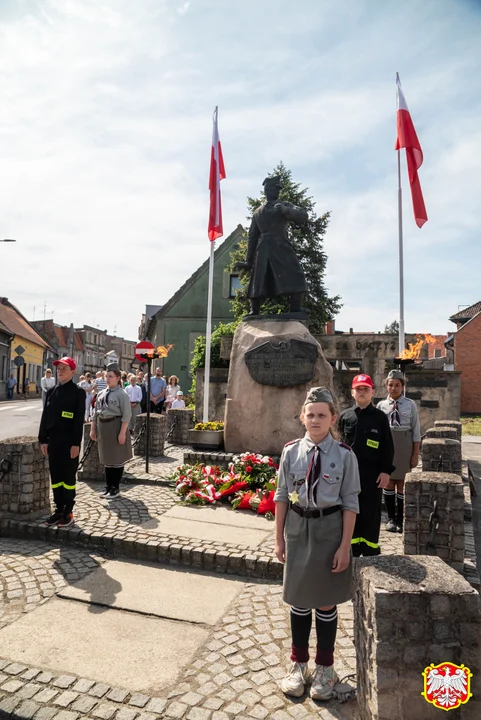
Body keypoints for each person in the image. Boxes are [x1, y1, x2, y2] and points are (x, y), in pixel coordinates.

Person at [274, 387, 360, 700]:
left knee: (325, 601)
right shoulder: (290, 452)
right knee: (298, 600)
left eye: (322, 415)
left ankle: (325, 667)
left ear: (332, 418)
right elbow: (282, 496)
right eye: (310, 414)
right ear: (302, 417)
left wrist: (344, 547)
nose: (315, 419)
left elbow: (351, 503)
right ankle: (299, 664)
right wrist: (279, 539)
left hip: (329, 532)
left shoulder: (345, 455)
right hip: (298, 530)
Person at [338, 374, 395, 557]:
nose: (362, 392)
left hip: (371, 476)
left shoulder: (380, 418)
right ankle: (351, 548)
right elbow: (336, 444)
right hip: (347, 476)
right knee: (348, 510)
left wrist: (386, 471)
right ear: (352, 392)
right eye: (358, 389)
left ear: (372, 392)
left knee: (370, 513)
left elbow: (387, 446)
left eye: (365, 389)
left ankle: (370, 549)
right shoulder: (345, 416)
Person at [38, 357, 85, 528]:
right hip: (53, 442)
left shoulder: (78, 392)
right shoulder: (51, 392)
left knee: (68, 477)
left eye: (65, 368)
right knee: (56, 477)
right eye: (59, 368)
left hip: (69, 442)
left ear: (73, 371)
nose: (60, 371)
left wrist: (75, 443)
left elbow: (78, 419)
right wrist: (43, 439)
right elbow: (45, 417)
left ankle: (68, 511)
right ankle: (58, 509)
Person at [377, 369, 421, 533]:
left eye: (397, 385)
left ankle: (400, 519)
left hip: (404, 445)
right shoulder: (381, 406)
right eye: (390, 385)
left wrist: (415, 453)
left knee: (402, 483)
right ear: (386, 386)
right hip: (387, 445)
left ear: (402, 386)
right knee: (389, 482)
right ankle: (390, 518)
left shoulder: (410, 405)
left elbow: (416, 430)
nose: (393, 388)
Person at [90, 363, 132, 499]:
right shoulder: (101, 394)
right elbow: (96, 413)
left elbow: (126, 415)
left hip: (116, 426)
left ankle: (115, 488)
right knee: (107, 459)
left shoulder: (122, 394)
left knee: (117, 458)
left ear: (118, 377)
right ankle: (108, 487)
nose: (107, 379)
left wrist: (122, 432)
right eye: (106, 376)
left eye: (111, 376)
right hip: (103, 427)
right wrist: (92, 429)